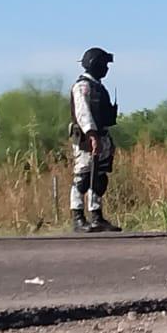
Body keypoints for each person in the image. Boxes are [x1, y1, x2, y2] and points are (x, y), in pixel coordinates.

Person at [69, 47, 121, 233]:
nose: (106, 68)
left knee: (99, 178)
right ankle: (78, 218)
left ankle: (96, 216)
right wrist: (91, 135)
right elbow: (82, 112)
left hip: (102, 136)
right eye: (104, 64)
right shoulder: (82, 86)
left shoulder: (97, 86)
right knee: (83, 177)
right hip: (86, 139)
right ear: (94, 64)